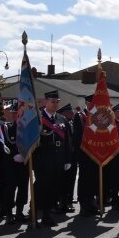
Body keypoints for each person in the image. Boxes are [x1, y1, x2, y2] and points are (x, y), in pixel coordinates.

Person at [33, 90, 73, 226]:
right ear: (45, 102)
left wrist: (68, 159)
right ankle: (37, 212)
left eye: (57, 102)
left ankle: (47, 214)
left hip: (58, 161)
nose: (55, 104)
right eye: (52, 102)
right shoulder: (37, 119)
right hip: (42, 162)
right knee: (42, 188)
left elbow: (68, 141)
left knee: (54, 188)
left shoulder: (61, 119)